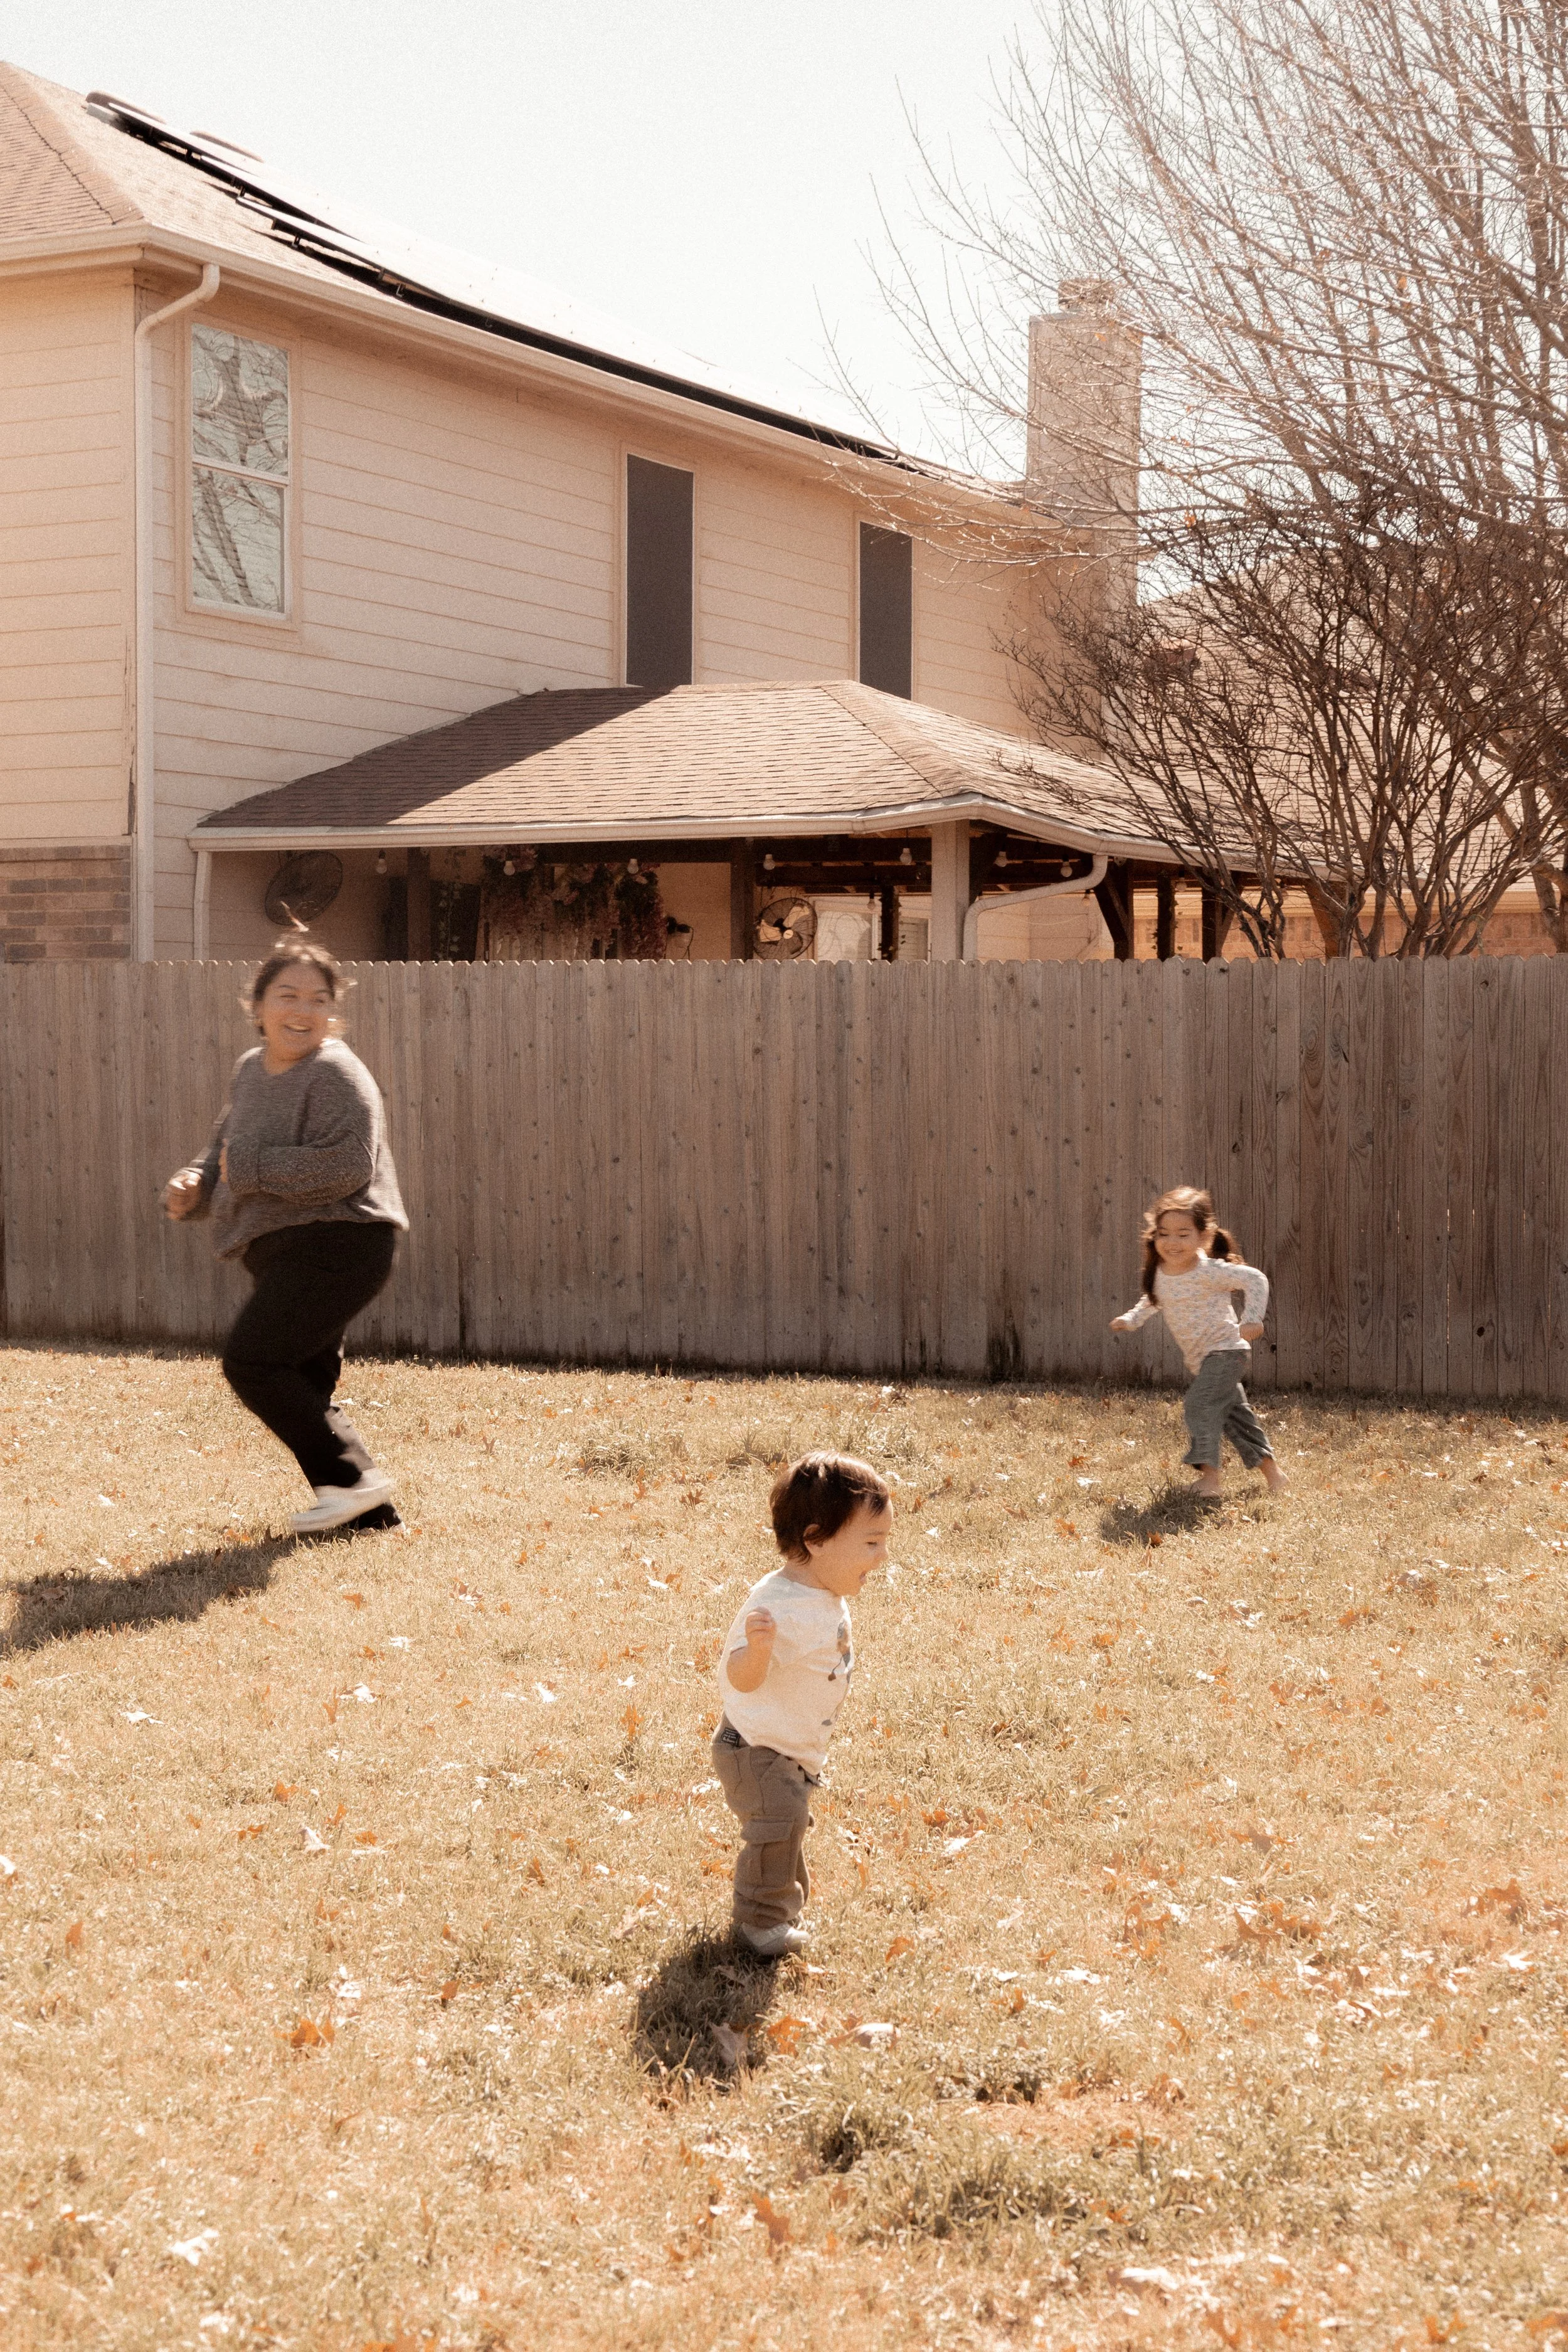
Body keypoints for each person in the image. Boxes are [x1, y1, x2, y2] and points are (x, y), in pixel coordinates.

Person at [164, 934, 409, 1536]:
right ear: (258, 1004)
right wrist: (196, 1178)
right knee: (304, 1379)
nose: (302, 1011)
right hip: (282, 1250)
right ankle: (369, 1517)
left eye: (317, 999)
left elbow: (348, 1165)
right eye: (288, 995)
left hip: (340, 1244)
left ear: (333, 1010)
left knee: (254, 1362)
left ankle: (354, 1482)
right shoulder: (250, 1070)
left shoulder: (335, 1071)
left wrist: (242, 1167)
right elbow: (226, 1146)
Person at [711, 1452, 891, 1958]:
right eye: (871, 1543)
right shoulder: (779, 1608)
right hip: (755, 1747)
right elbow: (738, 1678)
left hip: (787, 1746)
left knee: (786, 1828)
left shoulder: (818, 1589)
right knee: (777, 1826)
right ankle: (758, 1924)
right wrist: (760, 1651)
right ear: (815, 1539)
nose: (881, 1557)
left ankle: (779, 1908)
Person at [1110, 1184, 1287, 1500]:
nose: (1172, 1242)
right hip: (1202, 1360)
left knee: (1200, 1404)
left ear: (1203, 1236)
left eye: (1183, 1234)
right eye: (1164, 1234)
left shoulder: (1210, 1271)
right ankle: (1275, 1476)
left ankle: (1210, 1480)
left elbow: (1255, 1279)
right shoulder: (1161, 1272)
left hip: (1227, 1352)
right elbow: (1152, 1301)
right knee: (1237, 1417)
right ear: (1154, 1236)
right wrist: (1131, 1320)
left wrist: (1252, 1318)